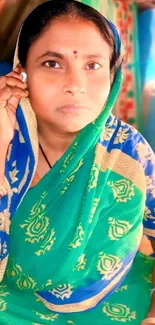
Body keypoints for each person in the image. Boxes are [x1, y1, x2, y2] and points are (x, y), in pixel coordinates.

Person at [0, 1, 155, 324]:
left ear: (112, 76)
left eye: (93, 66)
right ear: (21, 72)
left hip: (117, 301)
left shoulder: (129, 152)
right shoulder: (7, 138)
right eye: (52, 63)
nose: (75, 84)